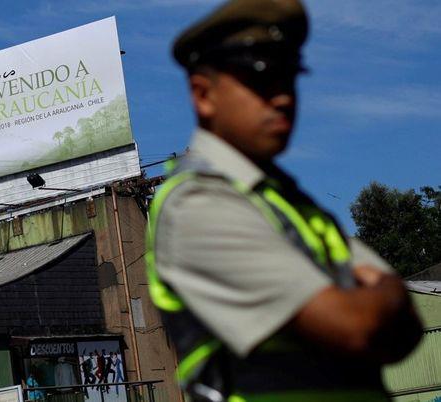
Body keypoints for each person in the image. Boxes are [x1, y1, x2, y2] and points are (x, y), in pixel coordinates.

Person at [146, 0, 423, 401]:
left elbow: (406, 334)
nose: (283, 99)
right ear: (203, 95)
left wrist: (385, 301)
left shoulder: (290, 205)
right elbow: (359, 327)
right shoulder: (198, 206)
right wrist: (387, 294)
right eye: (261, 80)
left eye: (288, 79)